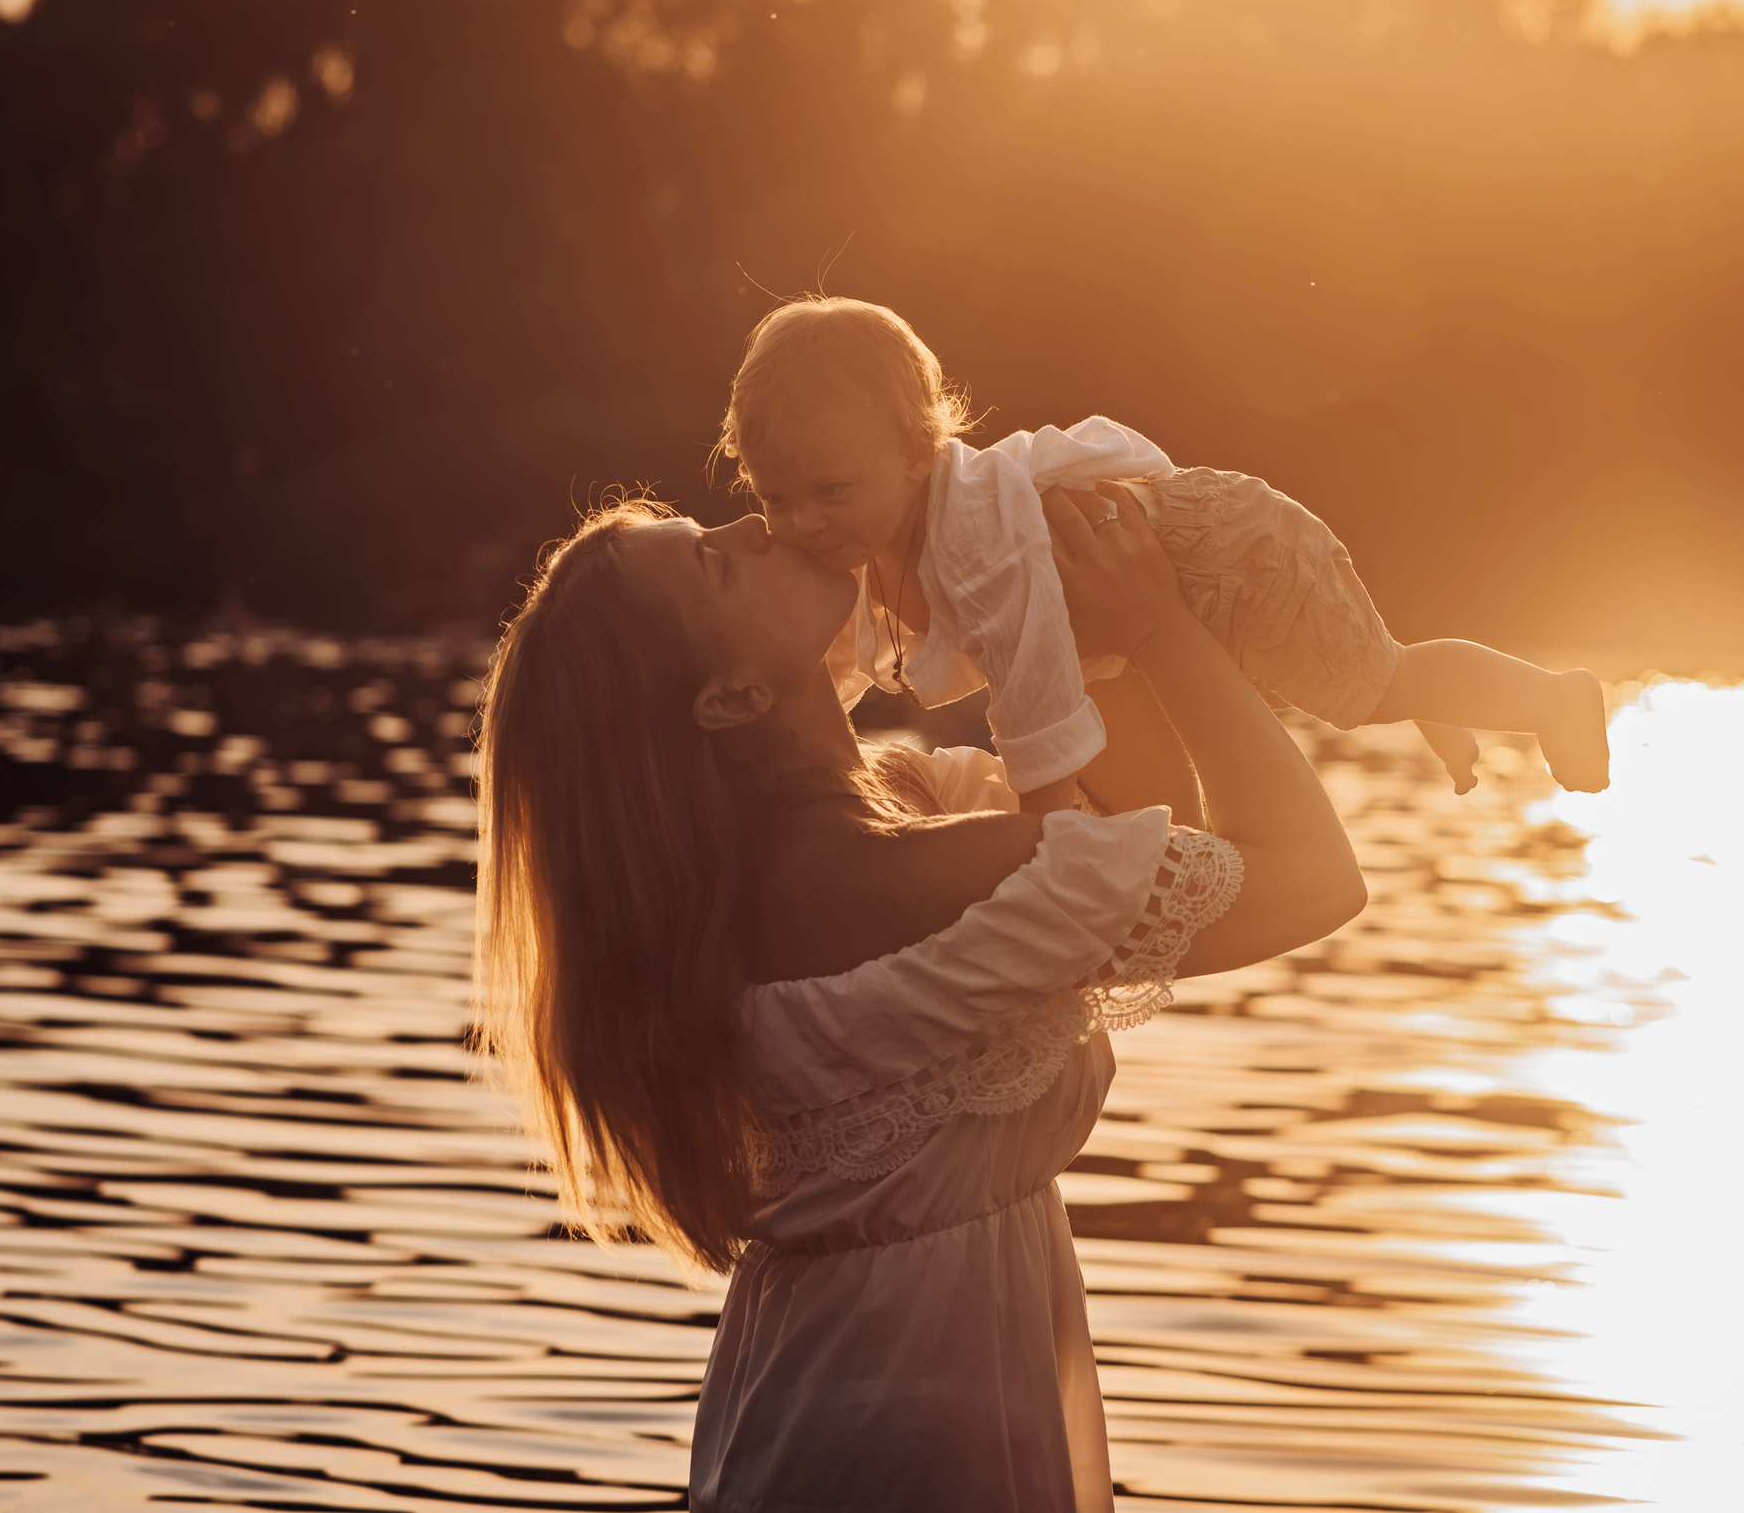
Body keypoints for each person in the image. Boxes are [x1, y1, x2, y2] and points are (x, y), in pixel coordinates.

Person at [473, 481, 1367, 1511]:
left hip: (874, 1368)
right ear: (731, 696)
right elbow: (1309, 878)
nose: (754, 520)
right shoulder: (871, 880)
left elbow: (1143, 815)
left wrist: (1052, 608)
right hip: (908, 1410)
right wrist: (1160, 627)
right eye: (714, 558)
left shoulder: (883, 814)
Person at [715, 296, 1613, 814]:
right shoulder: (865, 547)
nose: (803, 525)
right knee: (1358, 689)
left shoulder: (970, 528)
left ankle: (1549, 696)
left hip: (1230, 554)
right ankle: (1421, 693)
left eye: (830, 493)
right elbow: (822, 674)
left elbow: (1029, 673)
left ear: (919, 451)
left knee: (1376, 684)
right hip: (1148, 610)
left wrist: (1047, 816)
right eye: (774, 498)